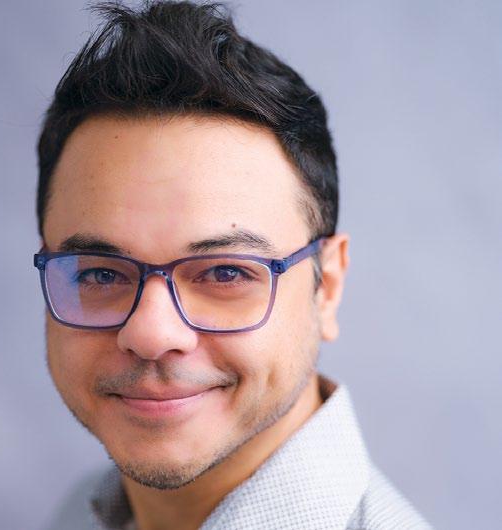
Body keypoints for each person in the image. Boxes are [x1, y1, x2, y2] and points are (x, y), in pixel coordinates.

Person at [33, 1, 431, 529]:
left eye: (225, 273)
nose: (151, 335)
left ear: (327, 286)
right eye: (100, 273)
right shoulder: (80, 511)